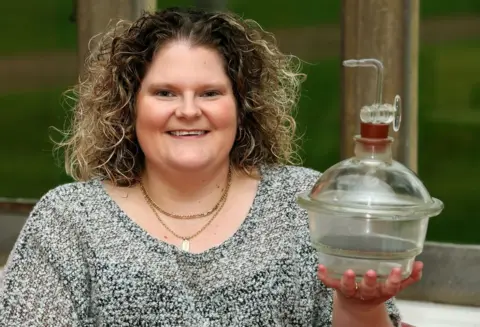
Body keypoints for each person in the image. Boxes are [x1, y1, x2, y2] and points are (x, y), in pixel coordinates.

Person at [0, 7, 422, 326]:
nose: (188, 111)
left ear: (242, 106)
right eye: (165, 93)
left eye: (210, 92)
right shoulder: (70, 220)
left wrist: (359, 304)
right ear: (128, 108)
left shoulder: (309, 206)